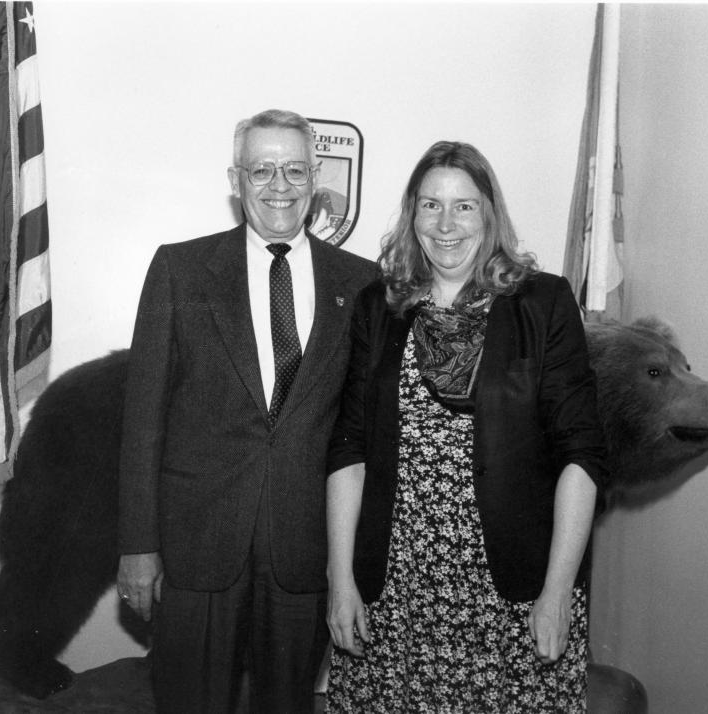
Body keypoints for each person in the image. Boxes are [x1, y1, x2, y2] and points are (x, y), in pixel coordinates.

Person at [325, 141, 609, 712]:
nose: (446, 224)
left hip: (515, 586)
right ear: (412, 215)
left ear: (489, 213)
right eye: (430, 205)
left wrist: (557, 590)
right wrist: (340, 580)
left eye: (464, 206)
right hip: (398, 584)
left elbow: (581, 454)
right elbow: (348, 449)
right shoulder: (377, 307)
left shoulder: (543, 303)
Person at [115, 109, 377, 714]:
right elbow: (142, 421)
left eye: (293, 169)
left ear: (316, 179)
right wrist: (136, 543)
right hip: (196, 546)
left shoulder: (363, 284)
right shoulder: (180, 270)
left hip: (304, 548)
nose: (278, 185)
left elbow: (361, 433)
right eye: (262, 170)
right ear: (236, 180)